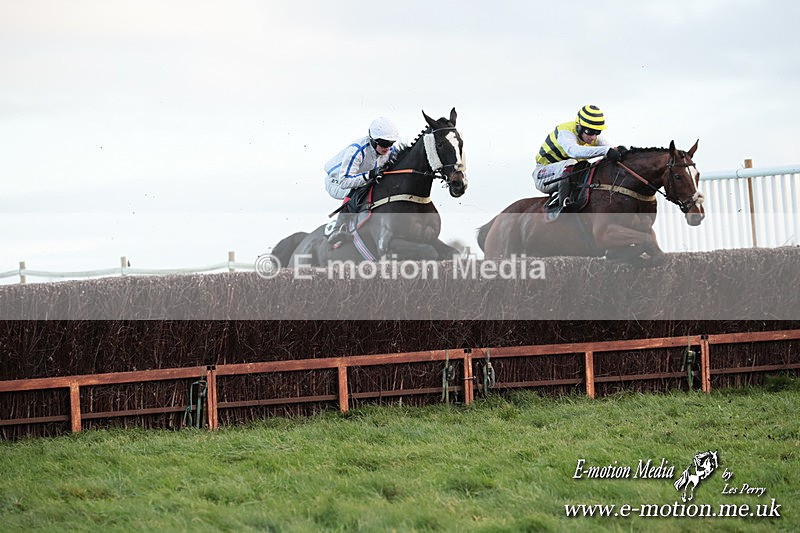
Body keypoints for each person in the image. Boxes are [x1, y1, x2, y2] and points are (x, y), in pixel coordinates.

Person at [323, 116, 400, 243]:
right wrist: (370, 175)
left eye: (390, 143)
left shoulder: (391, 151)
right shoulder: (357, 150)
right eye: (384, 143)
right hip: (336, 181)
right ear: (373, 140)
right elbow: (344, 182)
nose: (387, 148)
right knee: (359, 188)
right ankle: (337, 230)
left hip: (359, 178)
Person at [532, 104, 625, 207]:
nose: (593, 137)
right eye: (589, 132)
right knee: (571, 163)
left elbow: (610, 151)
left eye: (597, 132)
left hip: (566, 175)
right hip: (543, 175)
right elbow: (574, 151)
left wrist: (621, 152)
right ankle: (564, 204)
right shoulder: (565, 133)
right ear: (579, 126)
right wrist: (607, 150)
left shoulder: (593, 137)